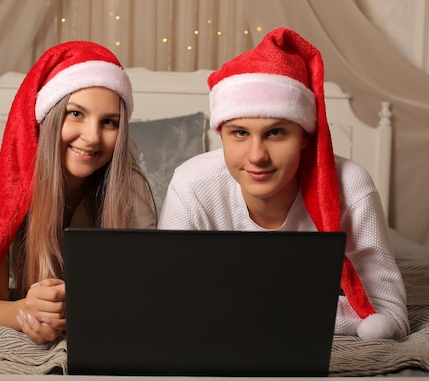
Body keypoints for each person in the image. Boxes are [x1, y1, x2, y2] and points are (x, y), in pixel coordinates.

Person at [158, 27, 409, 340]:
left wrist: (238, 309)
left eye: (276, 133)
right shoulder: (192, 185)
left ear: (305, 136)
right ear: (220, 134)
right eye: (239, 133)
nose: (257, 156)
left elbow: (388, 316)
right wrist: (295, 310)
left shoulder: (351, 187)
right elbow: (168, 303)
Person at [0, 41, 157, 344]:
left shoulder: (130, 188)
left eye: (109, 122)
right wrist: (25, 312)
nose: (91, 137)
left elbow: (143, 295)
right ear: (48, 116)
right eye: (75, 114)